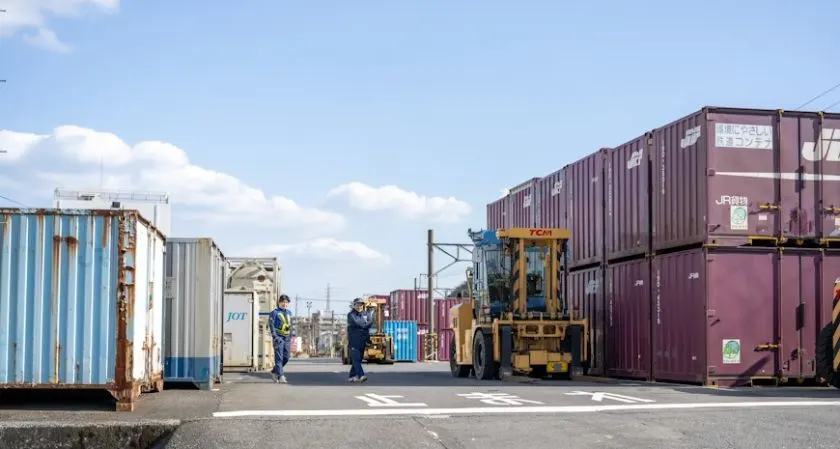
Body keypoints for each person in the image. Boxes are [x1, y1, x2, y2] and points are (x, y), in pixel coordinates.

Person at [269, 294, 293, 384]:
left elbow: (290, 325)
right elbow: (271, 325)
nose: (284, 304)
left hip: (286, 338)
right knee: (279, 358)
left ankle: (274, 371)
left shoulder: (289, 313)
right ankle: (281, 376)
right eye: (283, 302)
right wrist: (275, 336)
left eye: (286, 302)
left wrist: (290, 335)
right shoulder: (274, 313)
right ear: (279, 302)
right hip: (278, 337)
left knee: (286, 357)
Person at [347, 297, 373, 383]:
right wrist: (365, 324)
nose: (359, 306)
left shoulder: (366, 314)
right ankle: (361, 375)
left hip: (363, 340)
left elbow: (370, 322)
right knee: (356, 358)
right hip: (354, 341)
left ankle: (351, 376)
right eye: (357, 304)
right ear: (354, 305)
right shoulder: (351, 315)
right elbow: (356, 322)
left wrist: (363, 325)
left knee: (359, 359)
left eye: (361, 304)